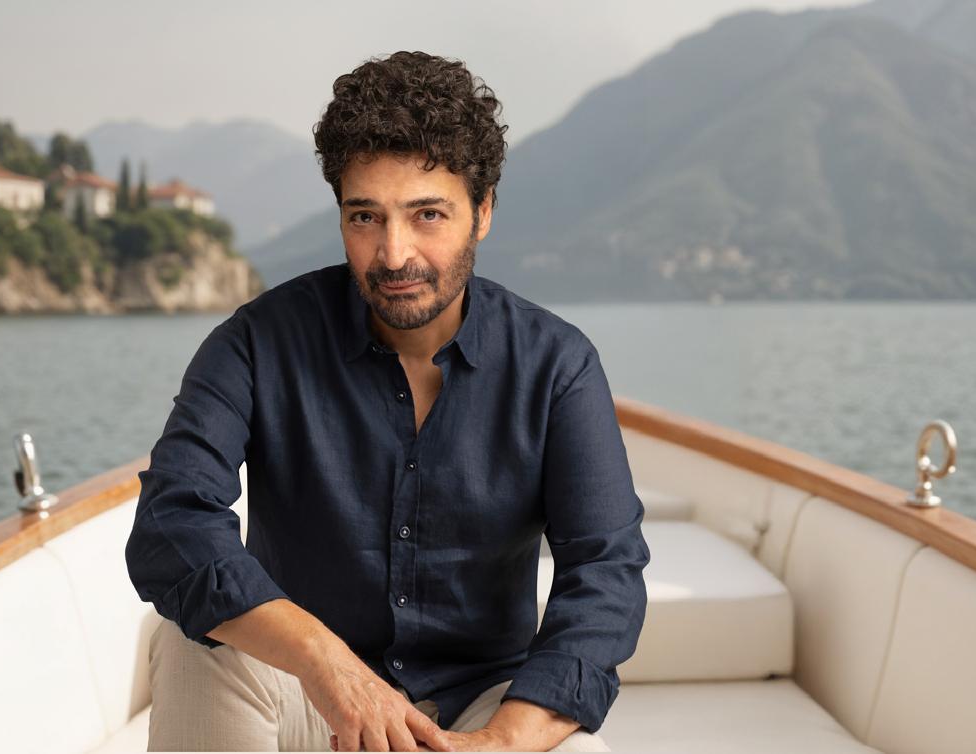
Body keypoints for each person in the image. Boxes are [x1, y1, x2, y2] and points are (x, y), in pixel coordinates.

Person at [126, 50, 650, 752]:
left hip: (480, 706)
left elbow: (605, 572)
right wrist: (323, 659)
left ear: (483, 212)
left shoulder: (557, 365)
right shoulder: (257, 342)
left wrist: (499, 742)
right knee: (191, 645)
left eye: (427, 214)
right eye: (365, 217)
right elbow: (172, 522)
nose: (394, 253)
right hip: (308, 695)